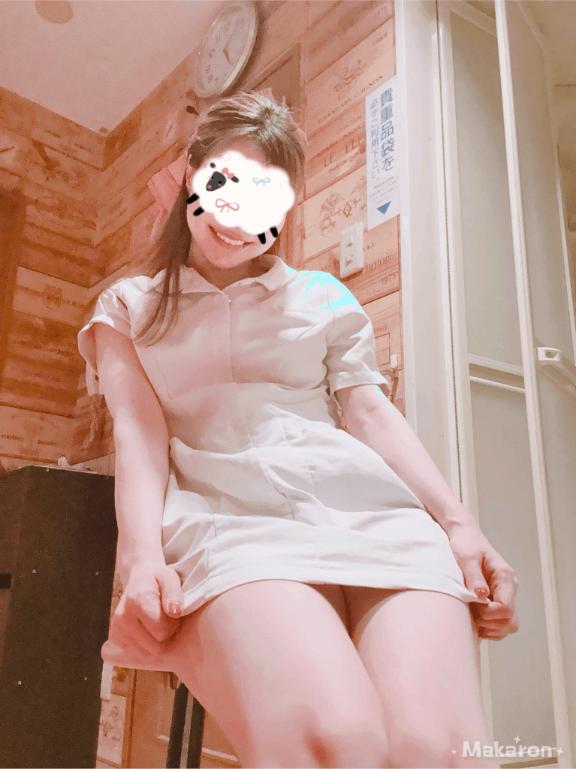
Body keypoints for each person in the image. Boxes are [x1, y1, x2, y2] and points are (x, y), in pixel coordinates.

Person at [77, 90, 517, 768]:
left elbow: (369, 412)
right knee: (337, 741)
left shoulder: (322, 296)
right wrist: (140, 559)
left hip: (374, 517)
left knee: (438, 750)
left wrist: (460, 525)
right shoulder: (129, 307)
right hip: (231, 523)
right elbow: (139, 434)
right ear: (191, 173)